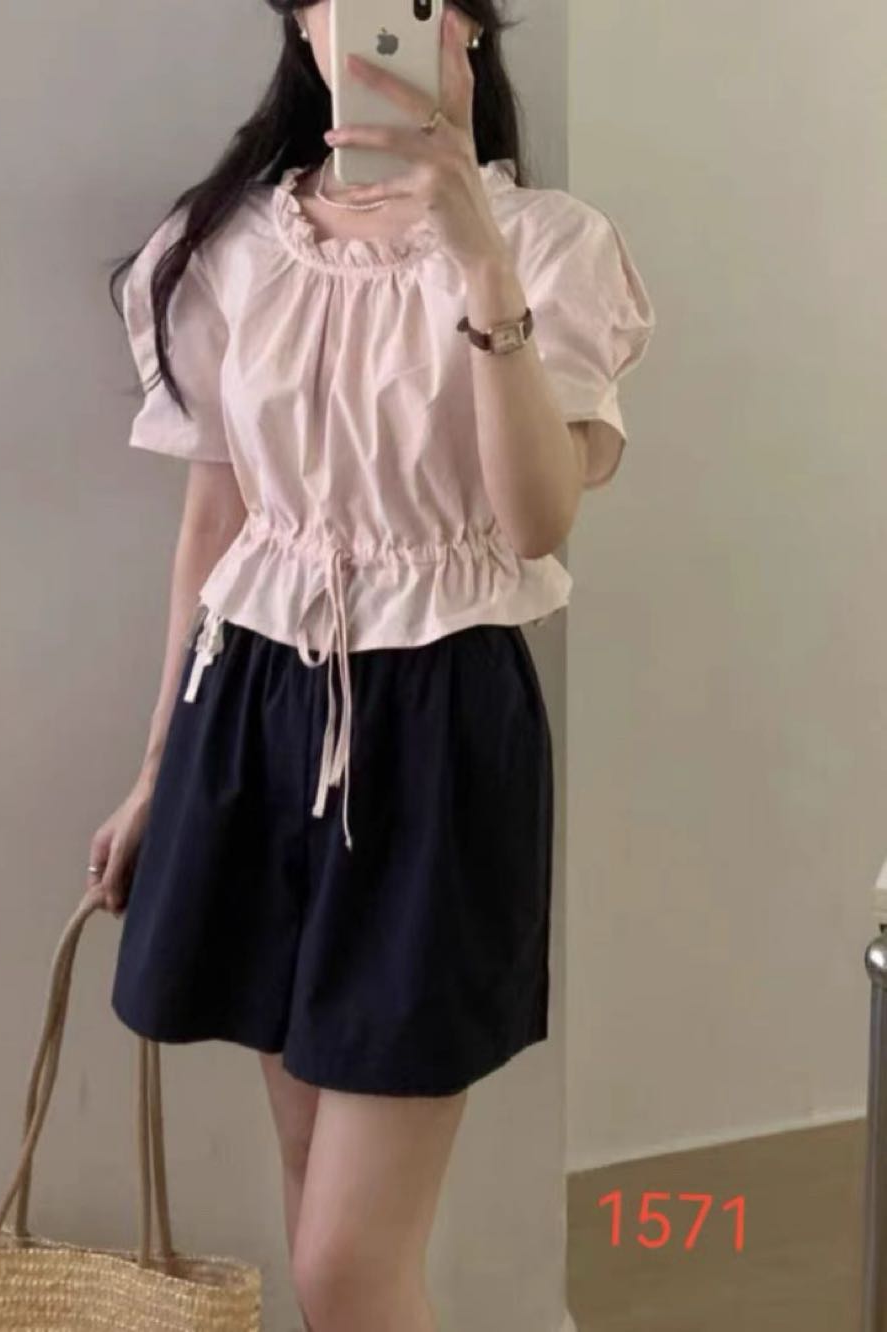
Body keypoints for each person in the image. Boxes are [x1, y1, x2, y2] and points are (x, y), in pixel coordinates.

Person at [90, 2, 656, 1328]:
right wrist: (156, 770)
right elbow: (214, 526)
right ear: (301, 33)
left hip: (436, 724)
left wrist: (477, 262)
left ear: (468, 32)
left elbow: (534, 521)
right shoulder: (231, 246)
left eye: (418, 3)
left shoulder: (550, 245)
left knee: (348, 1261)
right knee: (312, 1208)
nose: (379, 26)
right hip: (249, 707)